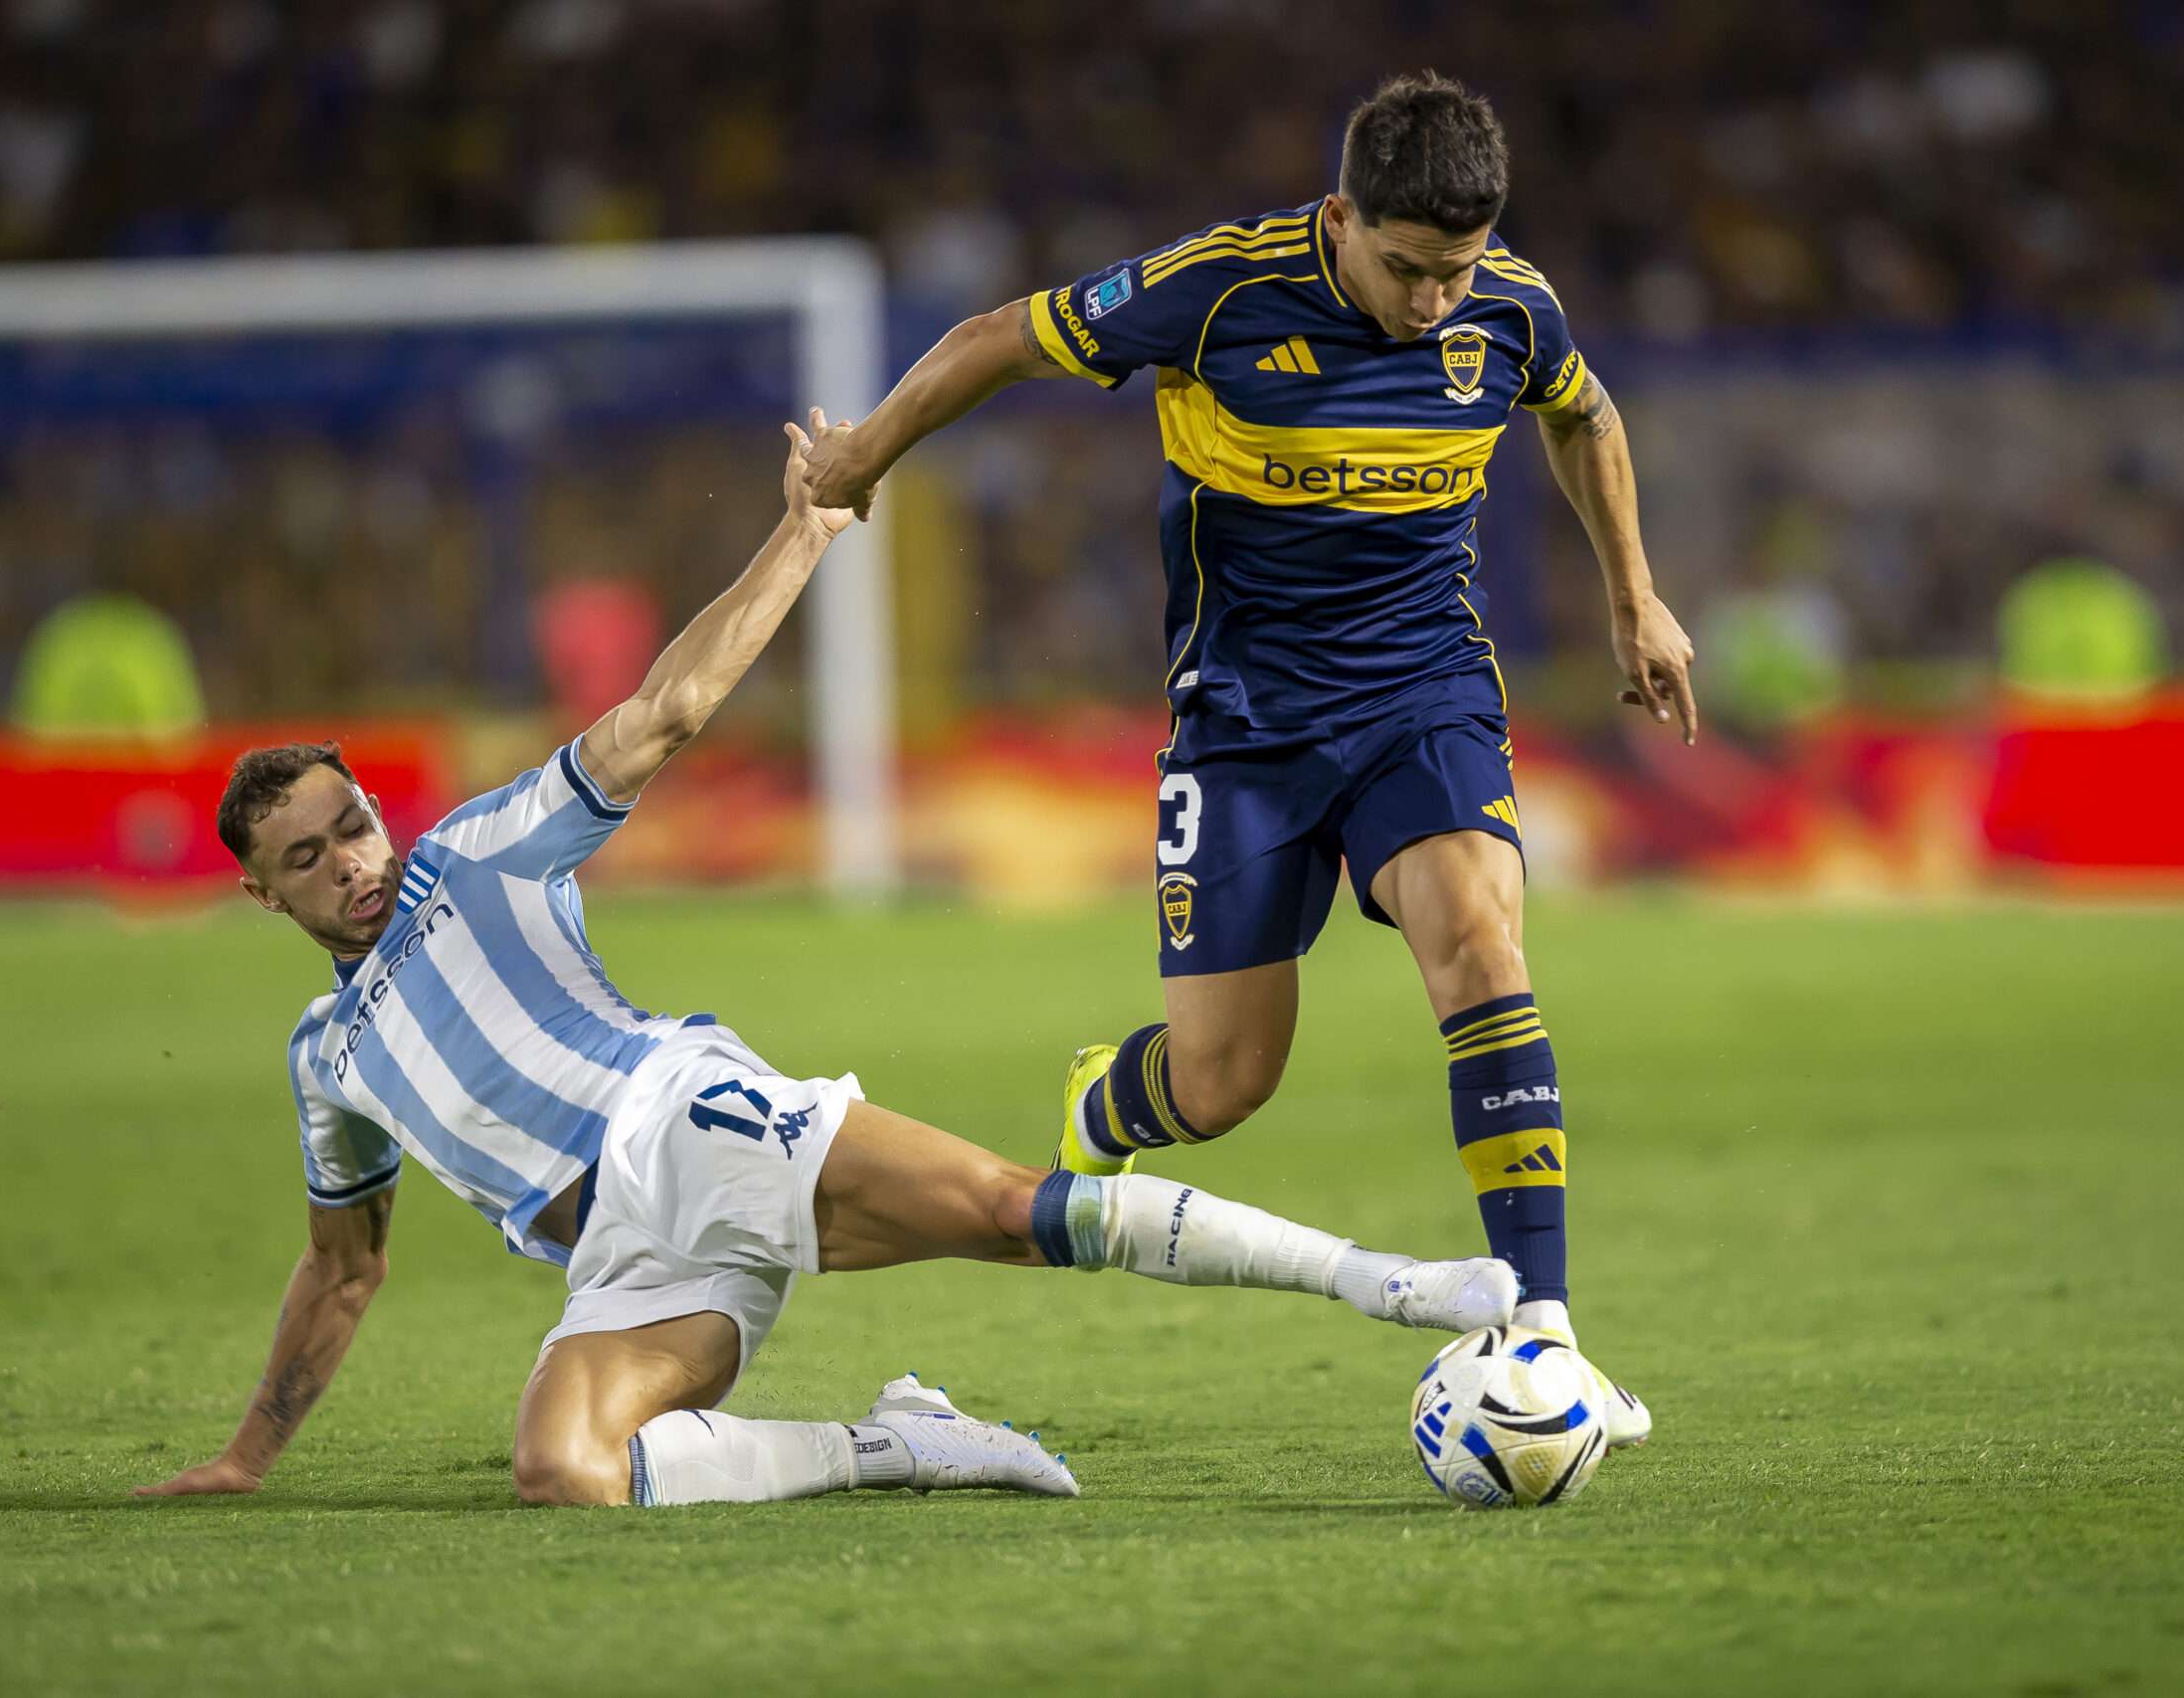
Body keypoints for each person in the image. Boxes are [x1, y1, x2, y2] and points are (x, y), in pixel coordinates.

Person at [134, 415, 1521, 1512]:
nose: (355, 862)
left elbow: (666, 712)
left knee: (1004, 1211)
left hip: (676, 1120)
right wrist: (251, 1453)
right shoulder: (329, 1064)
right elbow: (342, 1272)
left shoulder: (480, 851)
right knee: (562, 1469)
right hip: (621, 1262)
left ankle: (1392, 1283)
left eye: (353, 825)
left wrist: (803, 530)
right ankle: (903, 1445)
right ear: (262, 896)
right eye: (311, 860)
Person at [801, 73, 1689, 1428]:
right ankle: (1113, 1098)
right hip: (1244, 727)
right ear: (1341, 218)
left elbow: (1585, 412)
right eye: (1405, 268)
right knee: (1222, 1081)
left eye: (1454, 270)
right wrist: (865, 451)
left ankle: (1545, 1333)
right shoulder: (1217, 292)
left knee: (1482, 943)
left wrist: (1634, 593)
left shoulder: (1511, 308)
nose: (1433, 301)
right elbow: (1000, 335)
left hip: (1422, 694)